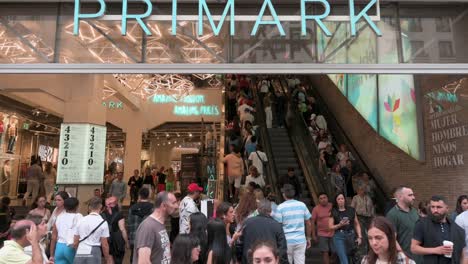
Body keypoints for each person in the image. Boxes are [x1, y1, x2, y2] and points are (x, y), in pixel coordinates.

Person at [412, 195, 466, 264]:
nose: (435, 210)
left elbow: (463, 254)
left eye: (439, 207)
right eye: (432, 207)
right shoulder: (422, 224)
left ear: (447, 208)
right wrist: (436, 250)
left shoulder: (457, 228)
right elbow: (414, 248)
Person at [133, 191, 179, 264]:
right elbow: (143, 262)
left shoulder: (159, 224)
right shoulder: (148, 227)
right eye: (173, 203)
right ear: (163, 206)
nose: (177, 206)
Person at [240, 199, 288, 264]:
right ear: (270, 211)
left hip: (249, 260)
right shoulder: (276, 225)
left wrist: (239, 258)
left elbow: (240, 243)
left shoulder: (247, 223)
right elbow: (282, 248)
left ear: (258, 210)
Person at [274, 184, 312, 264]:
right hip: (301, 240)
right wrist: (308, 238)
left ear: (284, 194)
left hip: (286, 241)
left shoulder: (280, 207)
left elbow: (278, 227)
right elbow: (308, 223)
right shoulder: (302, 205)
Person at [386, 186, 421, 262]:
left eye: (413, 195)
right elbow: (392, 239)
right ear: (400, 197)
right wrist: (403, 256)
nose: (414, 197)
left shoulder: (414, 211)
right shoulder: (392, 214)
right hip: (406, 258)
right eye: (410, 195)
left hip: (419, 256)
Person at [73, 197, 112, 264]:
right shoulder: (103, 223)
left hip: (81, 248)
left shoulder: (81, 220)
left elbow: (75, 241)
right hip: (95, 250)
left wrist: (78, 250)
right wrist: (107, 258)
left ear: (89, 207)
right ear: (101, 207)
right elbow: (104, 244)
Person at [329, 193, 363, 264]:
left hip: (351, 235)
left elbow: (356, 223)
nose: (341, 200)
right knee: (344, 259)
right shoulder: (333, 211)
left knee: (352, 257)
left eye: (342, 198)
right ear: (336, 201)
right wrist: (339, 225)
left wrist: (359, 236)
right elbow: (330, 227)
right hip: (339, 236)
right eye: (339, 199)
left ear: (344, 199)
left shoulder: (351, 210)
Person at [50, 197, 82, 264]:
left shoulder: (59, 217)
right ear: (77, 206)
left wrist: (51, 255)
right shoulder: (79, 217)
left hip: (59, 246)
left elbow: (53, 237)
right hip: (72, 246)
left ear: (64, 206)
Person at [127, 188, 153, 261]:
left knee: (134, 258)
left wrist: (129, 238)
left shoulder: (132, 208)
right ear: (148, 195)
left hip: (135, 238)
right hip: (148, 239)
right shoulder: (152, 208)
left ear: (139, 195)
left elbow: (129, 225)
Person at [102, 196, 129, 264]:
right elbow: (122, 229)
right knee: (118, 260)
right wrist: (126, 242)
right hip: (117, 241)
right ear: (116, 204)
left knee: (108, 259)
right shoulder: (119, 214)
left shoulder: (102, 214)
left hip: (106, 239)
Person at [311, 192, 334, 264]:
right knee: (325, 252)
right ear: (318, 200)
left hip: (333, 232)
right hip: (322, 233)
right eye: (321, 198)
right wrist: (313, 235)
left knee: (335, 251)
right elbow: (312, 222)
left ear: (327, 198)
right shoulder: (316, 209)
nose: (323, 200)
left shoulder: (332, 206)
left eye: (324, 198)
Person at [351, 186, 375, 254]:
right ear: (358, 191)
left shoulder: (368, 198)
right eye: (360, 190)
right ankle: (363, 251)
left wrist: (372, 215)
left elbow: (372, 207)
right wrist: (354, 217)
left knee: (369, 233)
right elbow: (352, 208)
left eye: (363, 190)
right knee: (362, 234)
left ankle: (371, 250)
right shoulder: (355, 198)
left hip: (368, 217)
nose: (362, 191)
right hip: (359, 217)